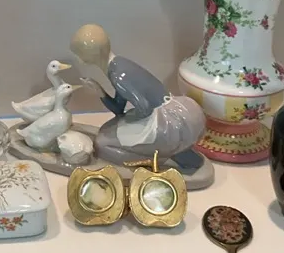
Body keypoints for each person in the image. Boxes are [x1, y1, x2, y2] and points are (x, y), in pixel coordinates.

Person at [70, 24, 207, 174]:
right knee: (107, 131)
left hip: (165, 121)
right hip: (167, 111)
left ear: (93, 54)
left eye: (79, 54)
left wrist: (126, 123)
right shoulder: (119, 63)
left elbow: (144, 108)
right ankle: (172, 151)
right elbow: (119, 109)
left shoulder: (118, 76)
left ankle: (156, 157)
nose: (79, 59)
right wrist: (99, 90)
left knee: (102, 144)